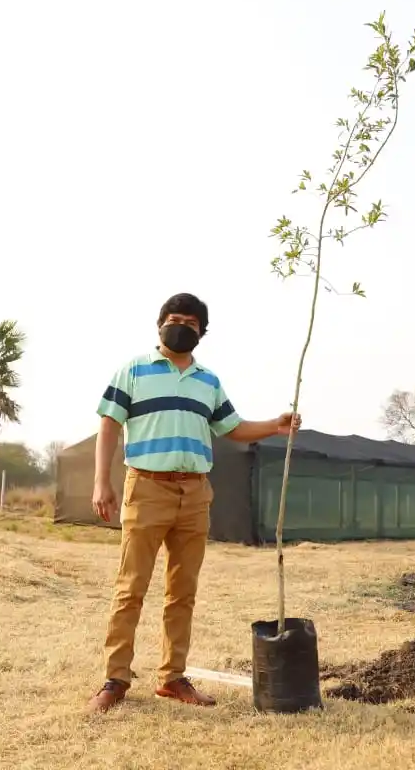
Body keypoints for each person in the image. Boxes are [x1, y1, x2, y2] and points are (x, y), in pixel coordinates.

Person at [87, 292, 302, 713]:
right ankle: (115, 679)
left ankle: (172, 678)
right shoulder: (133, 370)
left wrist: (275, 427)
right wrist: (102, 483)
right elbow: (109, 425)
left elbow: (233, 428)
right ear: (159, 325)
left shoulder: (209, 381)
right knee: (131, 589)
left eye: (189, 320)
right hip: (146, 487)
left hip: (195, 493)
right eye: (172, 318)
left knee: (182, 592)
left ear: (202, 331)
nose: (180, 325)